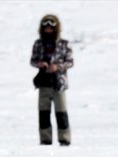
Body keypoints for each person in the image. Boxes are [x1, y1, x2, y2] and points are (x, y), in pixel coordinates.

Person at [30, 14, 73, 146]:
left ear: (56, 28)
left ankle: (64, 139)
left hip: (59, 83)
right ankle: (45, 140)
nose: (48, 29)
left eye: (51, 27)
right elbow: (33, 60)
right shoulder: (38, 44)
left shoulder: (64, 44)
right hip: (43, 82)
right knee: (43, 113)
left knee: (61, 112)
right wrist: (40, 64)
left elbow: (70, 62)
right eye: (45, 27)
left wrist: (58, 67)